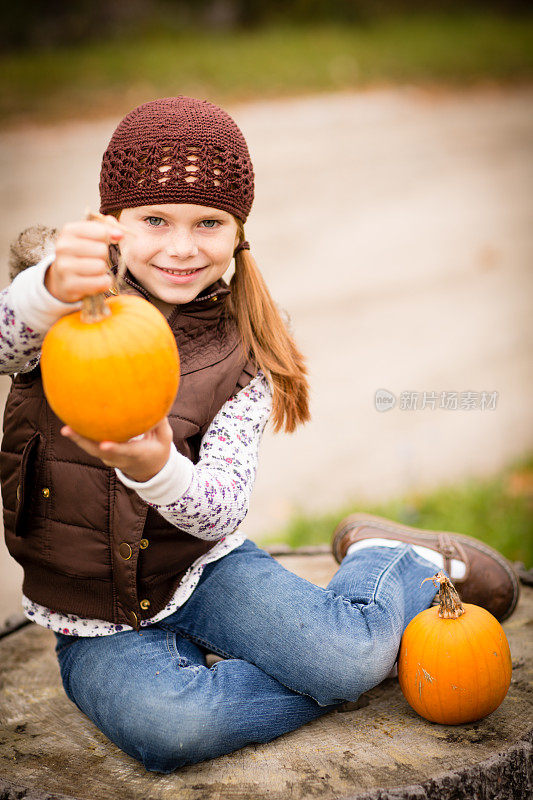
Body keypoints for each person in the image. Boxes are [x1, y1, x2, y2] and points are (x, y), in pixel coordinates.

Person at [0, 96, 520, 774]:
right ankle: (335, 678)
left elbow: (219, 507)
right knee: (172, 731)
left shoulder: (241, 359)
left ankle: (389, 564)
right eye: (154, 219)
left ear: (238, 231)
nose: (182, 246)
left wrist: (158, 466)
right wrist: (44, 289)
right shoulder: (60, 312)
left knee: (347, 658)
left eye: (208, 222)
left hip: (203, 570)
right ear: (113, 224)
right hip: (94, 618)